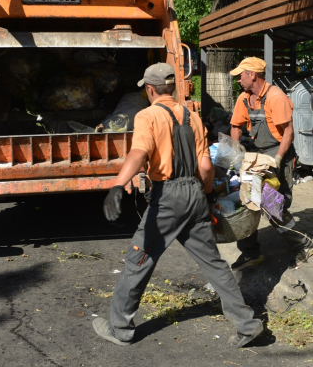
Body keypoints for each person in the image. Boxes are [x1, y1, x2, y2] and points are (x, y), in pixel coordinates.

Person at [92, 62, 263, 348]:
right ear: (172, 87)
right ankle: (247, 324)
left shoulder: (147, 116)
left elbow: (139, 152)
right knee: (214, 264)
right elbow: (206, 165)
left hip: (167, 199)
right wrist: (206, 195)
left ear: (149, 90)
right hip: (194, 194)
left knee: (138, 261)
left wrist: (117, 185)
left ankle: (120, 328)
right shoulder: (193, 117)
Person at [229, 57, 313, 271]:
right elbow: (236, 126)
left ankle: (303, 244)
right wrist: (235, 148)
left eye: (241, 75)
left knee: (273, 205)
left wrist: (277, 159)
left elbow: (288, 133)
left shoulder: (276, 97)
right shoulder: (244, 99)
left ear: (252, 75)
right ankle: (250, 253)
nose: (239, 79)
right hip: (258, 155)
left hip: (279, 153)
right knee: (249, 199)